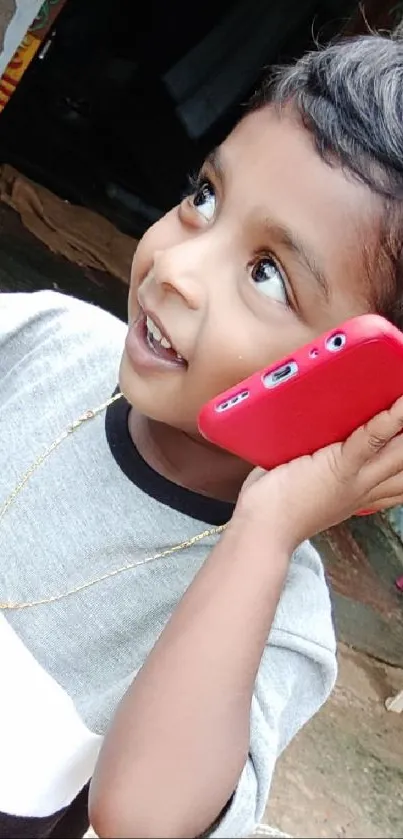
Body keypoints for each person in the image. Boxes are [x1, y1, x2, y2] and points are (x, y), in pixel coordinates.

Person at [2, 32, 403, 839]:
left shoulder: (272, 617)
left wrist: (265, 528)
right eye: (206, 196)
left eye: (267, 274)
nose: (177, 268)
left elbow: (143, 818)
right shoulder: (40, 337)